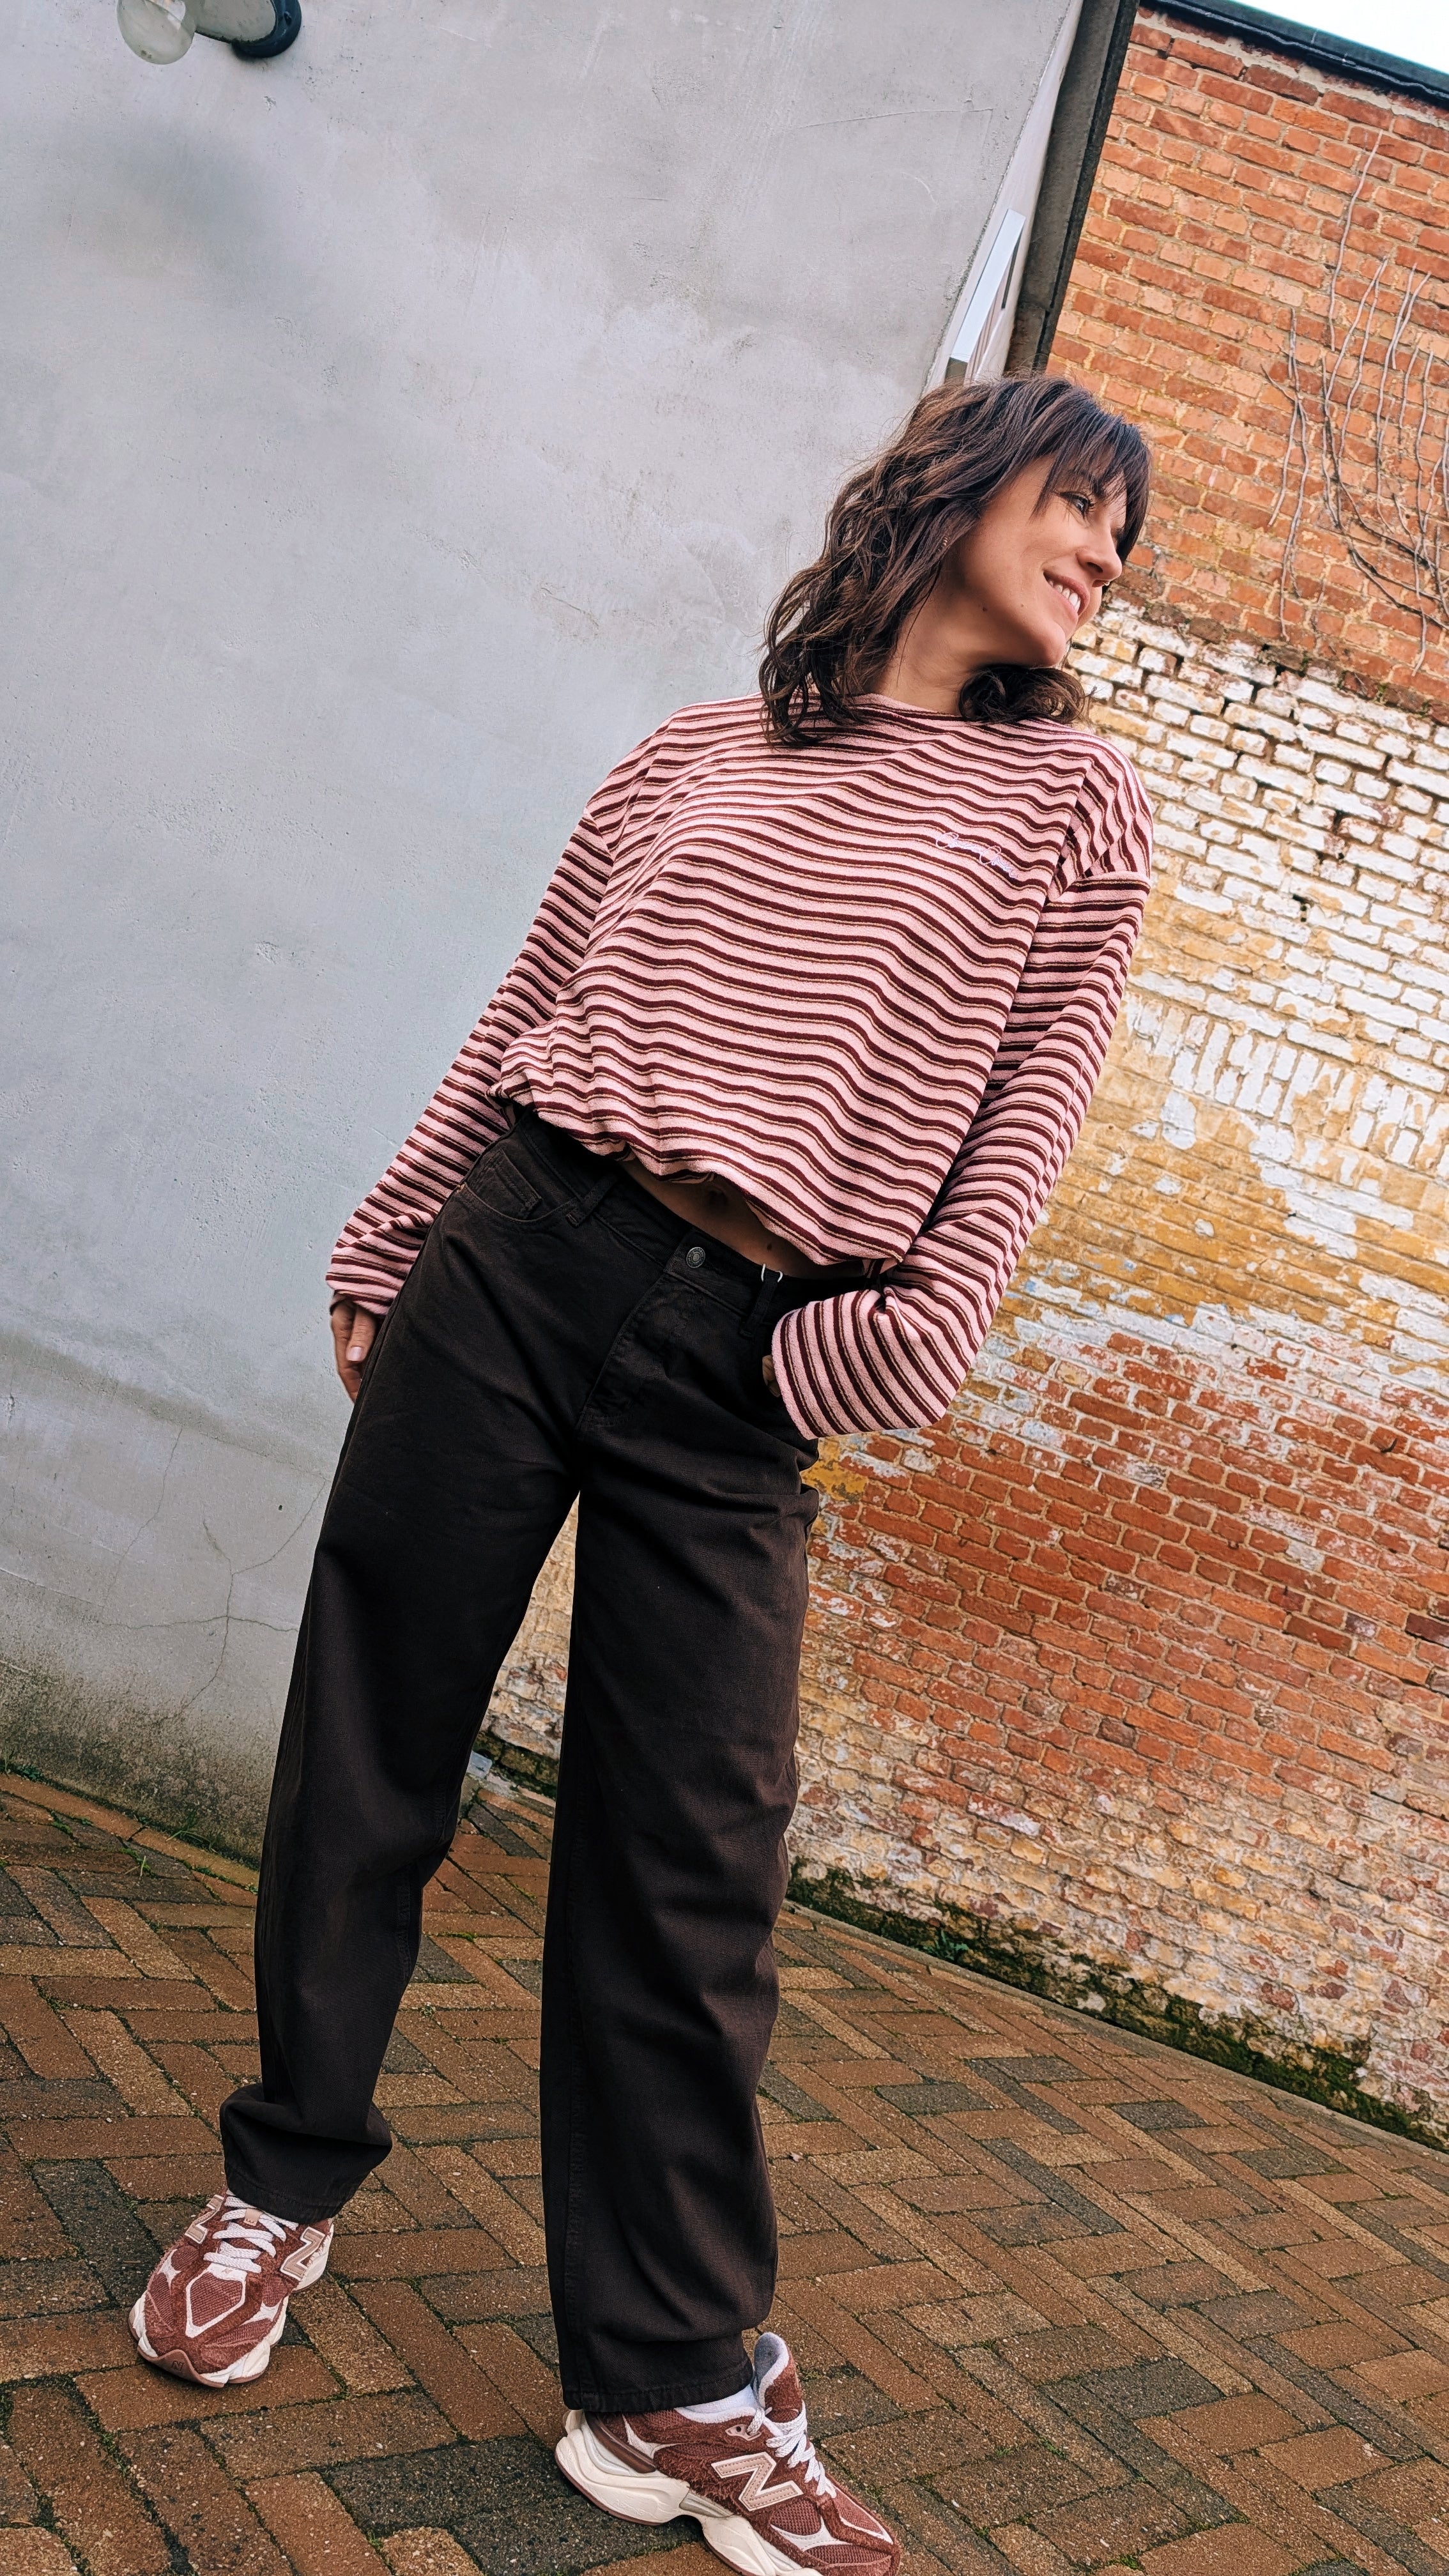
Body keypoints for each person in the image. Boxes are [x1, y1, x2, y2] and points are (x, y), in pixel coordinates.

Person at [130, 372, 1151, 2576]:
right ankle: (280, 2182)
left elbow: (1030, 1101)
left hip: (745, 1351)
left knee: (690, 1869)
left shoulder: (1069, 803)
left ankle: (668, 2380)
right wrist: (393, 1231)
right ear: (952, 491)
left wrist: (890, 1338)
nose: (1099, 554)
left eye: (1119, 536)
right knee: (371, 1744)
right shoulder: (694, 751)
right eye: (1077, 503)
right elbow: (529, 1013)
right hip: (517, 1259)